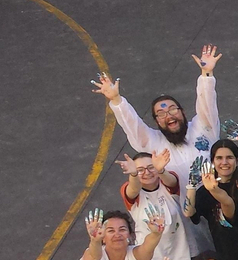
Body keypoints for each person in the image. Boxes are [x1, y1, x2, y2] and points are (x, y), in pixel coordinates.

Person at [94, 47, 222, 205]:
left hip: (222, 204)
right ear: (156, 121)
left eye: (173, 109)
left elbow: (207, 104)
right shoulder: (153, 143)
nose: (168, 116)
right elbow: (133, 126)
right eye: (161, 114)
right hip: (185, 213)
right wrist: (116, 100)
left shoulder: (204, 128)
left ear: (182, 111)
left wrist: (206, 75)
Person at [187, 136, 238, 260]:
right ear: (212, 161)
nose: (224, 162)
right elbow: (190, 213)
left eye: (229, 157)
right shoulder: (205, 191)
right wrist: (191, 185)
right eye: (219, 158)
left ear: (237, 161)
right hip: (226, 254)